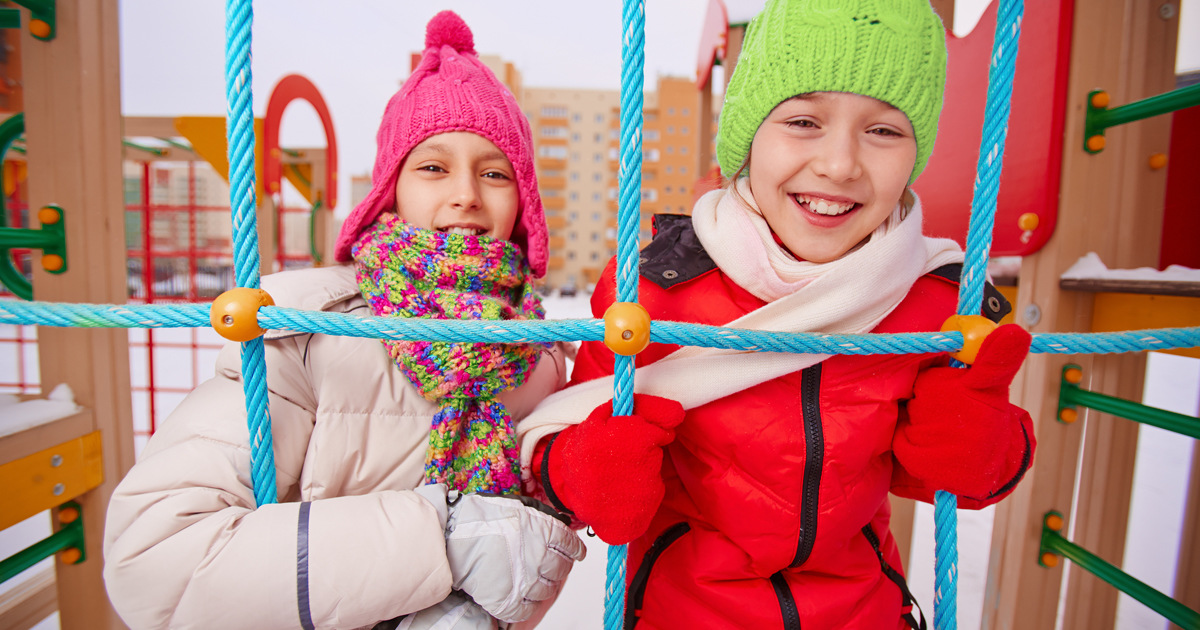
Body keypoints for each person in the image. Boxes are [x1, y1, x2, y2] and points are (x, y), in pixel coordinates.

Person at [516, 1, 1036, 628]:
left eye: (884, 131)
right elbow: (563, 441)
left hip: (863, 610)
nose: (840, 164)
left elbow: (960, 472)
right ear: (748, 135)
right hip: (682, 612)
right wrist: (583, 469)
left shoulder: (931, 304)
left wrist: (981, 447)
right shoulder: (658, 287)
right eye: (803, 121)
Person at [104, 11, 585, 630]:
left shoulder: (535, 354)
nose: (467, 192)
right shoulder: (302, 329)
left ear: (523, 201)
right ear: (390, 190)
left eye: (495, 172)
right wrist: (440, 539)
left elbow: (527, 549)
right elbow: (156, 562)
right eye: (433, 167)